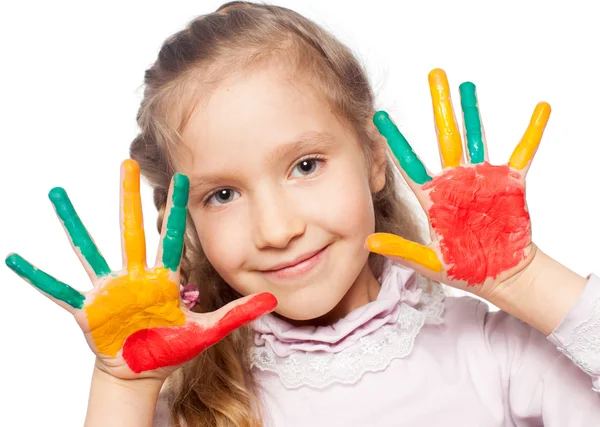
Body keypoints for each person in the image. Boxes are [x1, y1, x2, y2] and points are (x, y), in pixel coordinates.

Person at [5, 2, 599, 426]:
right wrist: (122, 388)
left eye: (306, 166)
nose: (278, 229)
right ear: (179, 220)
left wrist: (525, 280)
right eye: (223, 195)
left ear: (373, 159)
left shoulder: (493, 354)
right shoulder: (189, 403)